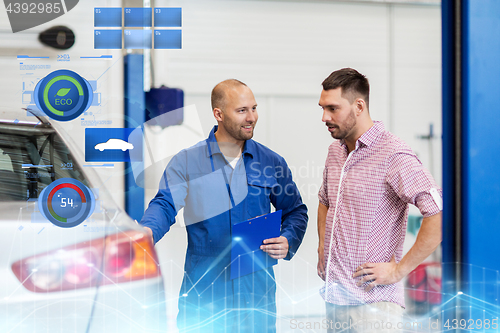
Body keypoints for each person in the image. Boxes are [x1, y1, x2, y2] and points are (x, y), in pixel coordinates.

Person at [140, 79, 308, 332]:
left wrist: (288, 239)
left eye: (254, 108)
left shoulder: (271, 162)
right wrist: (146, 233)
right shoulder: (187, 162)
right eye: (242, 111)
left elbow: (295, 211)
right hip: (205, 294)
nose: (251, 117)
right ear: (218, 114)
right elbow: (164, 204)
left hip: (256, 295)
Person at [316, 68, 442, 332]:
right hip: (335, 299)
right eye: (322, 108)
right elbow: (325, 200)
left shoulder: (393, 153)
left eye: (333, 108)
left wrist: (398, 271)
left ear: (358, 106)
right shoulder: (335, 152)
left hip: (374, 308)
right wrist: (322, 248)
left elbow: (438, 215)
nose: (325, 117)